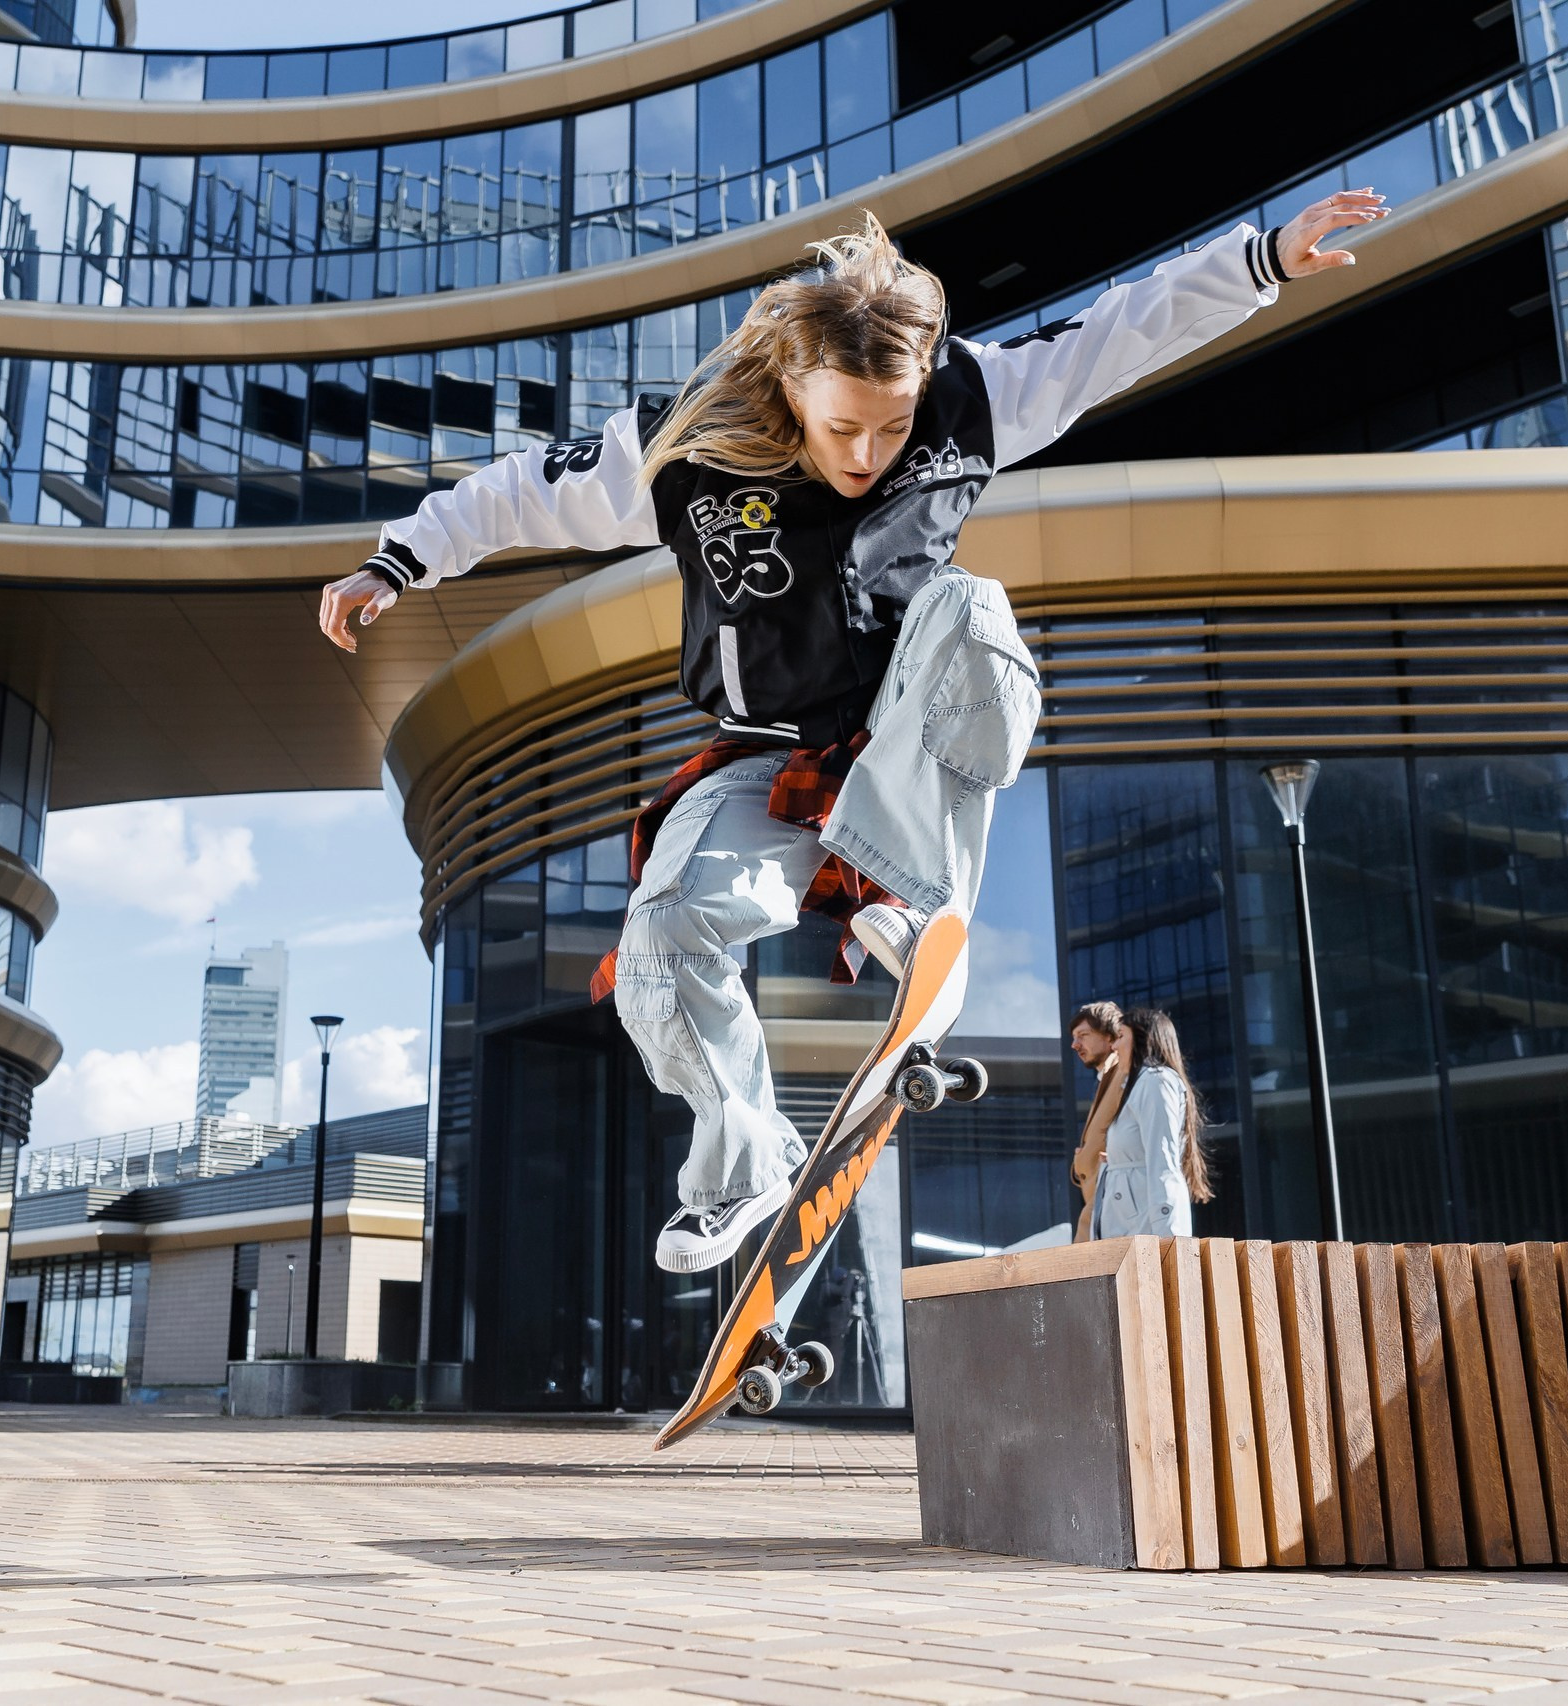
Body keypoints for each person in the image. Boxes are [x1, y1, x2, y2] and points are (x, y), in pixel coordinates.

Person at [319, 193, 1385, 1272]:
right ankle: (744, 1164)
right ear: (788, 386)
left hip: (910, 742)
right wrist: (399, 557)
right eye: (842, 428)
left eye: (892, 424)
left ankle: (914, 895)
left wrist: (1262, 261)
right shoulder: (687, 449)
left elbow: (1118, 332)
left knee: (970, 610)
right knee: (657, 939)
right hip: (767, 755)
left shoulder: (970, 398)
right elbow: (521, 494)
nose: (870, 451)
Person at [1093, 1006, 1213, 1238]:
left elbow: (1163, 1159)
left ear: (1143, 1039)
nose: (1114, 1046)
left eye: (1120, 1036)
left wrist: (1169, 1239)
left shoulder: (1155, 1082)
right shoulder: (1140, 1084)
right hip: (1131, 1231)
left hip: (1144, 1233)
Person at [1066, 1002, 1129, 1241]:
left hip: (1111, 1204)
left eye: (1083, 1035)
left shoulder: (1125, 1074)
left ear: (1110, 1036)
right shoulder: (1107, 1077)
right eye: (1074, 1037)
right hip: (1100, 1201)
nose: (1075, 1045)